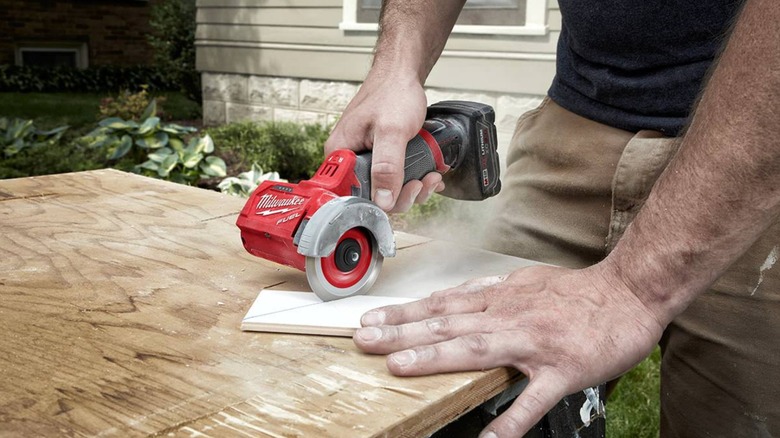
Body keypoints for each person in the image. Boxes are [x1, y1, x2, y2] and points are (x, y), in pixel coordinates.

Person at [324, 0, 780, 436]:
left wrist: (632, 290)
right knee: (456, 387)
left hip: (755, 148)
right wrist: (396, 66)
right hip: (579, 121)